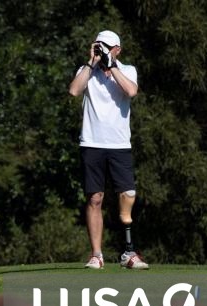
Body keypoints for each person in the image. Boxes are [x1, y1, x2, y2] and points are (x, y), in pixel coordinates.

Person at [68, 30, 149, 270]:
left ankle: (128, 253)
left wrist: (111, 65)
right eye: (99, 45)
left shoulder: (127, 70)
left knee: (127, 196)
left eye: (106, 46)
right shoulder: (87, 70)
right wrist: (91, 62)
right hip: (91, 143)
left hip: (119, 144)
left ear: (117, 50)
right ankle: (96, 255)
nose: (101, 49)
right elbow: (74, 90)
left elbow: (131, 91)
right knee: (95, 198)